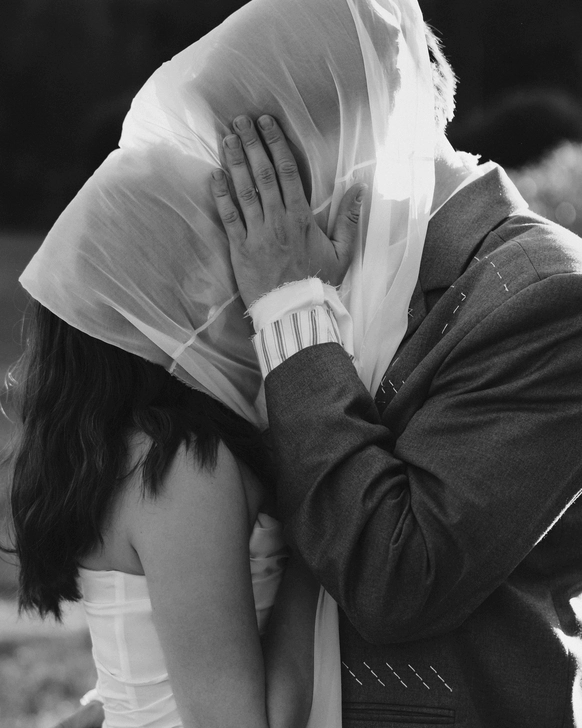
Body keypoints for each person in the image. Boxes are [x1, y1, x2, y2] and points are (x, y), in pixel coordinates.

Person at [7, 0, 444, 727]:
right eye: (211, 257)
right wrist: (324, 534)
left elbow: (142, 676)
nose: (232, 280)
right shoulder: (182, 465)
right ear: (157, 299)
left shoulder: (135, 446)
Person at [208, 31, 582, 728]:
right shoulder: (314, 263)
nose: (250, 192)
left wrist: (289, 307)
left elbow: (398, 577)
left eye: (258, 150)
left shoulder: (548, 295)